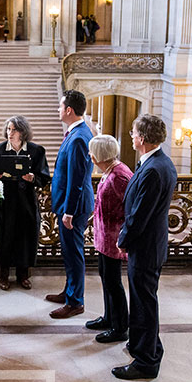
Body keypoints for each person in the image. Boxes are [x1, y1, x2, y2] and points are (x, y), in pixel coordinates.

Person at [112, 114, 177, 381]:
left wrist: (123, 239)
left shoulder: (153, 169)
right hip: (151, 243)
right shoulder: (159, 162)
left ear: (142, 138)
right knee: (143, 300)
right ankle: (146, 347)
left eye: (133, 132)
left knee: (143, 303)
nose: (131, 136)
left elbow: (140, 214)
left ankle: (146, 362)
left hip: (146, 246)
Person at [0, 116, 51, 291]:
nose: (9, 133)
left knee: (25, 236)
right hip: (3, 200)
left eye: (13, 130)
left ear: (23, 132)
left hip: (25, 199)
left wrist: (33, 177)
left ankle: (23, 275)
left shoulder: (36, 151)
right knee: (3, 237)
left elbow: (44, 176)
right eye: (8, 129)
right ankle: (3, 275)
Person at [45, 90, 94, 319]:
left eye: (59, 106)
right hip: (68, 205)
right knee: (69, 252)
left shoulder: (77, 139)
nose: (57, 109)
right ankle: (69, 291)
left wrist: (69, 212)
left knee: (74, 253)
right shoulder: (77, 133)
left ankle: (75, 302)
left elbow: (76, 180)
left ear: (69, 110)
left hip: (72, 208)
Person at [86, 134, 133, 343]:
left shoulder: (119, 176)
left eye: (92, 152)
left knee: (114, 283)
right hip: (104, 235)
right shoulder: (109, 171)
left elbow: (129, 209)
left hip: (114, 239)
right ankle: (109, 317)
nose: (90, 156)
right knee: (105, 277)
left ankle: (120, 327)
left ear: (99, 155)